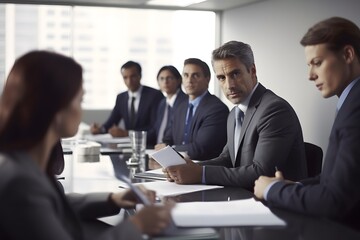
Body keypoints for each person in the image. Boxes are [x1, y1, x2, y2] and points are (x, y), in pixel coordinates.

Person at [0, 51, 173, 240]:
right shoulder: (22, 183)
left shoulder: (24, 163)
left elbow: (55, 202)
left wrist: (113, 199)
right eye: (80, 100)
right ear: (56, 107)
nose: (81, 110)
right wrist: (137, 225)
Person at [254, 17, 360, 230]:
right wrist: (294, 186)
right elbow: (337, 178)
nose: (310, 75)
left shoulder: (356, 107)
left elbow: (335, 201)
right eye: (309, 65)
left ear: (348, 54)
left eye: (318, 63)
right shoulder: (350, 101)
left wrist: (272, 190)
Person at [164, 41, 307, 191]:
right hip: (242, 198)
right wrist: (185, 168)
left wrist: (200, 173)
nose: (229, 85)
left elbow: (262, 173)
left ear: (252, 71)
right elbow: (227, 159)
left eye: (235, 74)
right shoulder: (234, 113)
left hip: (275, 206)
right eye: (221, 78)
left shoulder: (274, 110)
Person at [155, 58, 229, 160]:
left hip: (203, 169)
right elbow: (168, 137)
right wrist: (164, 145)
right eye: (186, 75)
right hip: (177, 166)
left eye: (195, 75)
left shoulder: (216, 109)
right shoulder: (180, 106)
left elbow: (200, 148)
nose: (189, 80)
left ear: (207, 79)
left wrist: (170, 149)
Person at [90, 60, 164, 146]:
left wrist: (127, 133)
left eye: (133, 76)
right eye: (125, 77)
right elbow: (111, 122)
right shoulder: (121, 97)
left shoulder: (154, 95)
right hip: (127, 146)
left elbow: (154, 129)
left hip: (148, 146)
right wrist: (100, 129)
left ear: (140, 76)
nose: (129, 81)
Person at [154, 65, 187, 144]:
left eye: (169, 78)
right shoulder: (162, 103)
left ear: (178, 80)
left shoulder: (185, 102)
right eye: (161, 79)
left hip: (174, 149)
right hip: (157, 149)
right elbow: (156, 130)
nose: (165, 82)